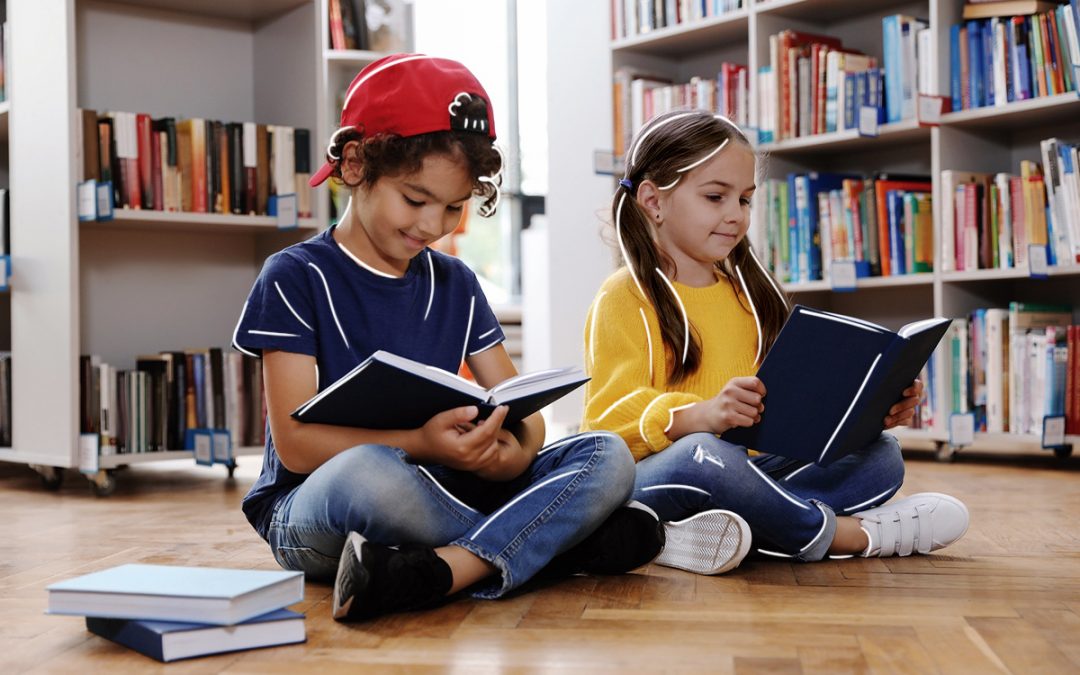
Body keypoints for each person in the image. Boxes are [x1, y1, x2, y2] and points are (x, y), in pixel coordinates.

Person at [232, 54, 665, 622]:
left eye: (454, 207)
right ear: (357, 164)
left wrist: (513, 457)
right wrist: (424, 443)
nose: (433, 226)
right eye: (415, 200)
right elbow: (294, 446)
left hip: (452, 485)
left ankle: (445, 568)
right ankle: (561, 544)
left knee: (605, 452)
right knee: (371, 473)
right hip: (318, 507)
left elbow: (522, 409)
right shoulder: (294, 275)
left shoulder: (456, 282)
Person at [581, 109, 970, 573]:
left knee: (882, 456)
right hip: (672, 474)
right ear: (653, 201)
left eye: (744, 200)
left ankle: (715, 535)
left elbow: (780, 414)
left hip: (747, 478)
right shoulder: (625, 296)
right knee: (705, 453)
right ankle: (844, 535)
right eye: (715, 196)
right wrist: (700, 416)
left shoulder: (749, 297)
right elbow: (605, 424)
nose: (735, 215)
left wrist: (870, 410)